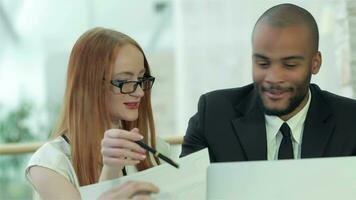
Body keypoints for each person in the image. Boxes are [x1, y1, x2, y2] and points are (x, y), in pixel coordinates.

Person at [181, 3, 356, 161]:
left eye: (289, 65)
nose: (273, 78)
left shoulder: (350, 121)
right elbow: (184, 192)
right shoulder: (213, 116)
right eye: (263, 63)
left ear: (315, 63)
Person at [25, 27, 171, 199]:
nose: (139, 93)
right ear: (90, 85)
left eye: (141, 79)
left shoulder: (156, 149)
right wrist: (110, 169)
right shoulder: (49, 164)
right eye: (124, 81)